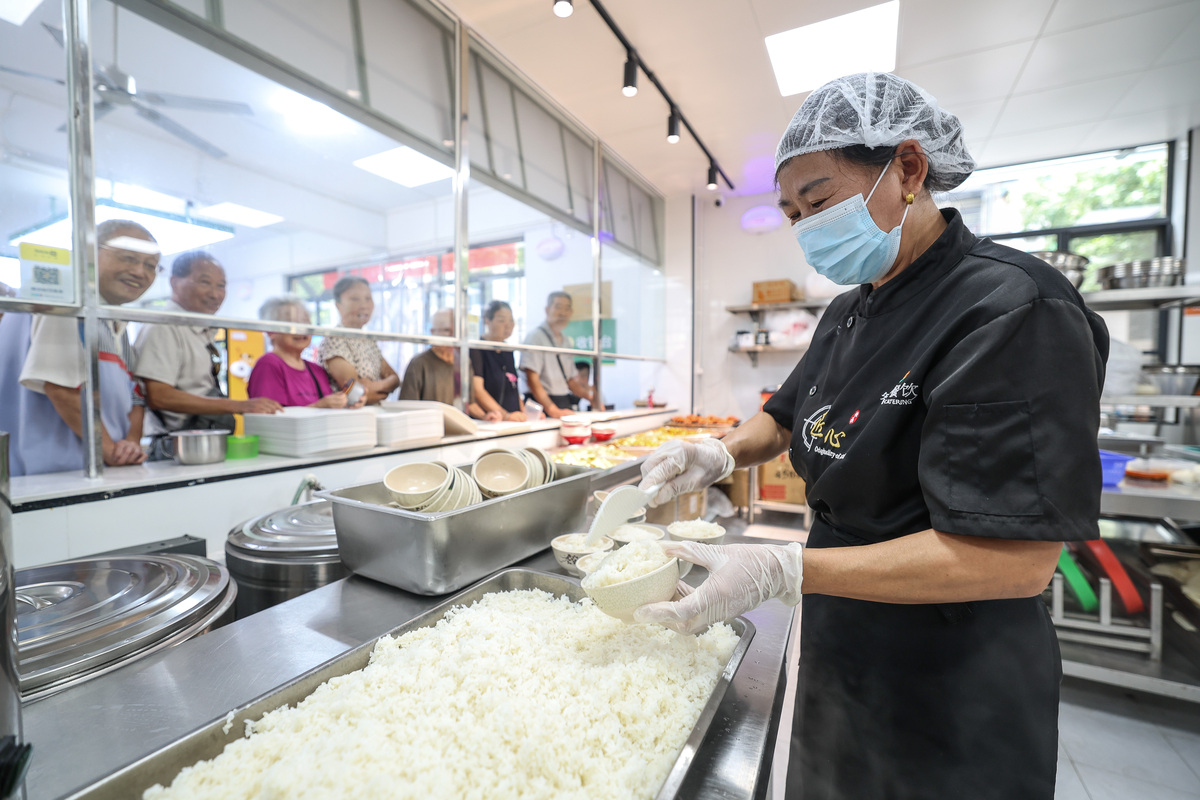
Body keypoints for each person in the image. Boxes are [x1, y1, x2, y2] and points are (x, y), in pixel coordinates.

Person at [633, 73, 1108, 800]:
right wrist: (720, 451)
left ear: (909, 170)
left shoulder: (1011, 308)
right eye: (793, 211)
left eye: (818, 201)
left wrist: (782, 570)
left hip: (952, 678)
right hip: (844, 643)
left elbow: (1013, 561)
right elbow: (789, 415)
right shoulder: (852, 310)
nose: (806, 227)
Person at [0, 220, 158, 475]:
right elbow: (61, 387)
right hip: (51, 478)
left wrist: (128, 445)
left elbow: (133, 395)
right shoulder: (63, 296)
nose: (140, 272)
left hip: (91, 470)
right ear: (88, 253)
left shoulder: (110, 321)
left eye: (151, 266)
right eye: (128, 258)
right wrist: (107, 450)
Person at [135, 251, 282, 439]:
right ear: (174, 282)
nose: (215, 294)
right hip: (176, 445)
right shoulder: (164, 328)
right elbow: (159, 396)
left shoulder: (202, 331)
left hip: (203, 438)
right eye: (205, 282)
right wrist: (238, 405)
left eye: (221, 286)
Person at [247, 295, 363, 409]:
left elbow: (329, 406)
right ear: (270, 332)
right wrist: (318, 407)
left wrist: (349, 403)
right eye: (292, 324)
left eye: (305, 323)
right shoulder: (268, 365)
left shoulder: (316, 370)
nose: (301, 330)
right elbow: (269, 418)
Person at [318, 276, 400, 405]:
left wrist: (374, 387)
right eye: (355, 299)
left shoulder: (367, 339)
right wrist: (385, 389)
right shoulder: (335, 339)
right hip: (347, 417)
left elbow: (395, 379)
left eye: (368, 299)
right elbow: (356, 393)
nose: (364, 305)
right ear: (338, 305)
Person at [519, 291, 602, 418]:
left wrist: (590, 398)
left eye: (567, 308)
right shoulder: (535, 337)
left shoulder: (566, 341)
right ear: (547, 310)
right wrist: (552, 409)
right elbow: (532, 379)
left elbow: (570, 380)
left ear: (571, 313)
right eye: (558, 307)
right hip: (542, 405)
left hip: (563, 401)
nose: (563, 313)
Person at [398, 308, 470, 407]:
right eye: (447, 330)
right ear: (433, 332)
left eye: (457, 332)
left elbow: (470, 404)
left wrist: (488, 415)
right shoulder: (419, 364)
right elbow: (406, 407)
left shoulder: (464, 363)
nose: (453, 337)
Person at [468, 300, 527, 422]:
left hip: (513, 420)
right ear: (487, 320)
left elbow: (513, 386)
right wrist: (505, 415)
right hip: (493, 420)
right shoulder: (477, 348)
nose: (508, 325)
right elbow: (477, 390)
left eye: (511, 320)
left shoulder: (507, 349)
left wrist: (526, 412)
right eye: (501, 321)